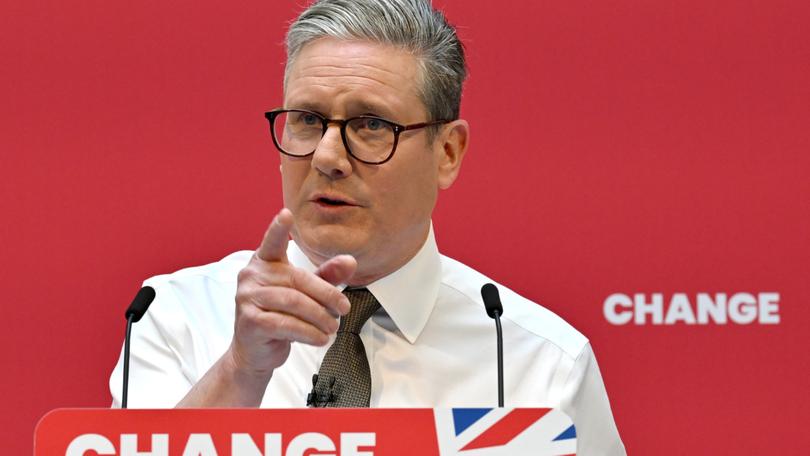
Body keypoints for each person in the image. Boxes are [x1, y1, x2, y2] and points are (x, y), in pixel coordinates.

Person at [110, 0, 625, 453]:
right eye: (308, 120)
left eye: (372, 125)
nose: (328, 156)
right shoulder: (174, 316)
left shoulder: (541, 362)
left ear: (447, 152)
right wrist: (241, 371)